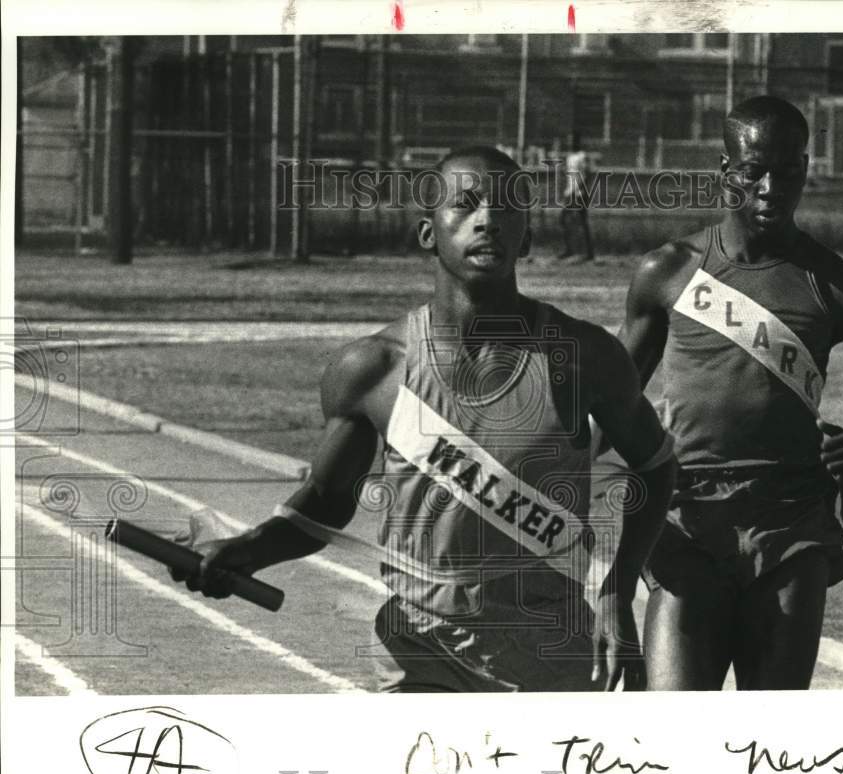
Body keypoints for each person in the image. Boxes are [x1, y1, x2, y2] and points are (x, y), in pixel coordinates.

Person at [172, 146, 675, 693]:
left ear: (526, 236)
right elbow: (322, 503)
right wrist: (243, 551)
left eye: (507, 208)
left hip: (547, 643)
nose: (487, 219)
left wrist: (616, 593)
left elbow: (656, 465)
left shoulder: (584, 356)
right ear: (428, 232)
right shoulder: (372, 370)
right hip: (417, 646)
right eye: (465, 204)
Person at [608, 96, 843, 690]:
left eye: (787, 172)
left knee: (773, 742)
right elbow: (607, 409)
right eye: (753, 169)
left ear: (806, 170)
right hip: (688, 520)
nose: (768, 187)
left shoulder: (840, 289)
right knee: (671, 733)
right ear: (723, 170)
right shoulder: (668, 272)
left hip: (791, 525)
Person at [558, 133, 596, 262]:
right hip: (570, 192)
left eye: (573, 141)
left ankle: (589, 252)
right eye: (569, 141)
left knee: (582, 221)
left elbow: (587, 174)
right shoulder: (569, 157)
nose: (570, 143)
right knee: (564, 219)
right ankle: (569, 249)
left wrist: (580, 188)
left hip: (580, 193)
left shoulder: (582, 156)